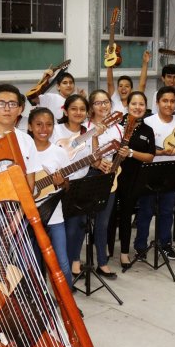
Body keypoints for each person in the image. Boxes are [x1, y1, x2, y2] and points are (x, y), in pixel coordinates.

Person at [134, 86, 175, 261]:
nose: (169, 104)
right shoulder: (148, 122)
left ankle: (165, 244)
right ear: (157, 102)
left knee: (167, 211)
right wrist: (162, 153)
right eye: (165, 101)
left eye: (172, 101)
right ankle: (140, 247)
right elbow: (143, 150)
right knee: (146, 210)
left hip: (171, 171)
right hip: (149, 172)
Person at [76, 89, 121, 279]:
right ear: (91, 107)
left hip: (109, 177)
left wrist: (117, 162)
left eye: (106, 102)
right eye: (98, 103)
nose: (103, 106)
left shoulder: (117, 127)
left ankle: (102, 262)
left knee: (103, 222)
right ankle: (76, 262)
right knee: (81, 222)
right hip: (87, 175)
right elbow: (79, 154)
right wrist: (96, 162)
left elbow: (118, 153)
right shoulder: (84, 128)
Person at [27, 107, 73, 288]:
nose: (43, 129)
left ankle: (68, 304)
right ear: (30, 126)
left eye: (48, 125)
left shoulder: (59, 152)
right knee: (34, 265)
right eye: (38, 124)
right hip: (29, 217)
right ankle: (43, 302)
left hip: (55, 215)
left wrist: (61, 182)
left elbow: (67, 186)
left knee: (62, 263)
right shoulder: (23, 152)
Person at [54, 94, 98, 278]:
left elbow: (95, 161)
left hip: (80, 185)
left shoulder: (88, 132)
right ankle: (59, 267)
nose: (78, 112)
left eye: (82, 109)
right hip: (56, 186)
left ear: (87, 112)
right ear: (65, 110)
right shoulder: (55, 129)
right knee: (59, 230)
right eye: (74, 108)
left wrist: (96, 136)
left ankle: (72, 264)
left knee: (77, 228)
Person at [114, 92, 156, 269]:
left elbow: (150, 156)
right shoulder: (116, 125)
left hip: (133, 178)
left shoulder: (148, 130)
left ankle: (124, 252)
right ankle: (106, 251)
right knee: (107, 217)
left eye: (141, 104)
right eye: (134, 104)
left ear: (145, 107)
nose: (137, 107)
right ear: (127, 106)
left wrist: (131, 153)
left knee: (125, 215)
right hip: (112, 175)